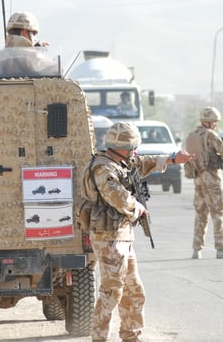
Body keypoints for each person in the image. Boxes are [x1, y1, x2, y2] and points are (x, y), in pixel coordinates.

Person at [82, 122, 193, 342]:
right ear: (120, 146)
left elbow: (145, 162)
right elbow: (115, 194)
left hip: (122, 236)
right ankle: (99, 337)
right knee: (111, 292)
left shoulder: (122, 161)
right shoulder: (103, 167)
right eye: (132, 146)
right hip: (109, 237)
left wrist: (173, 158)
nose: (135, 151)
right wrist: (137, 207)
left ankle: (131, 336)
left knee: (134, 292)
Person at [185, 107, 223, 260]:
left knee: (201, 214)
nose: (215, 125)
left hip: (198, 179)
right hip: (212, 178)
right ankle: (222, 248)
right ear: (207, 122)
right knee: (219, 211)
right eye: (214, 122)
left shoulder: (192, 136)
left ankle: (196, 249)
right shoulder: (210, 135)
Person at [0, 11, 58, 77]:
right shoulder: (32, 56)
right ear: (24, 33)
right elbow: (57, 70)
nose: (35, 38)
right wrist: (37, 51)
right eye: (33, 34)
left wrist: (35, 48)